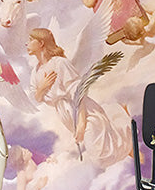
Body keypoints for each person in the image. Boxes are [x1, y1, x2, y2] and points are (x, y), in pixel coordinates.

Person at [26, 28, 127, 165]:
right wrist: (42, 87)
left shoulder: (60, 63)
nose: (26, 43)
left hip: (83, 112)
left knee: (100, 154)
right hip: (66, 115)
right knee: (102, 150)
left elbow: (78, 93)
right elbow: (36, 98)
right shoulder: (35, 72)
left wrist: (81, 123)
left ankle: (124, 129)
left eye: (31, 40)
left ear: (41, 43)